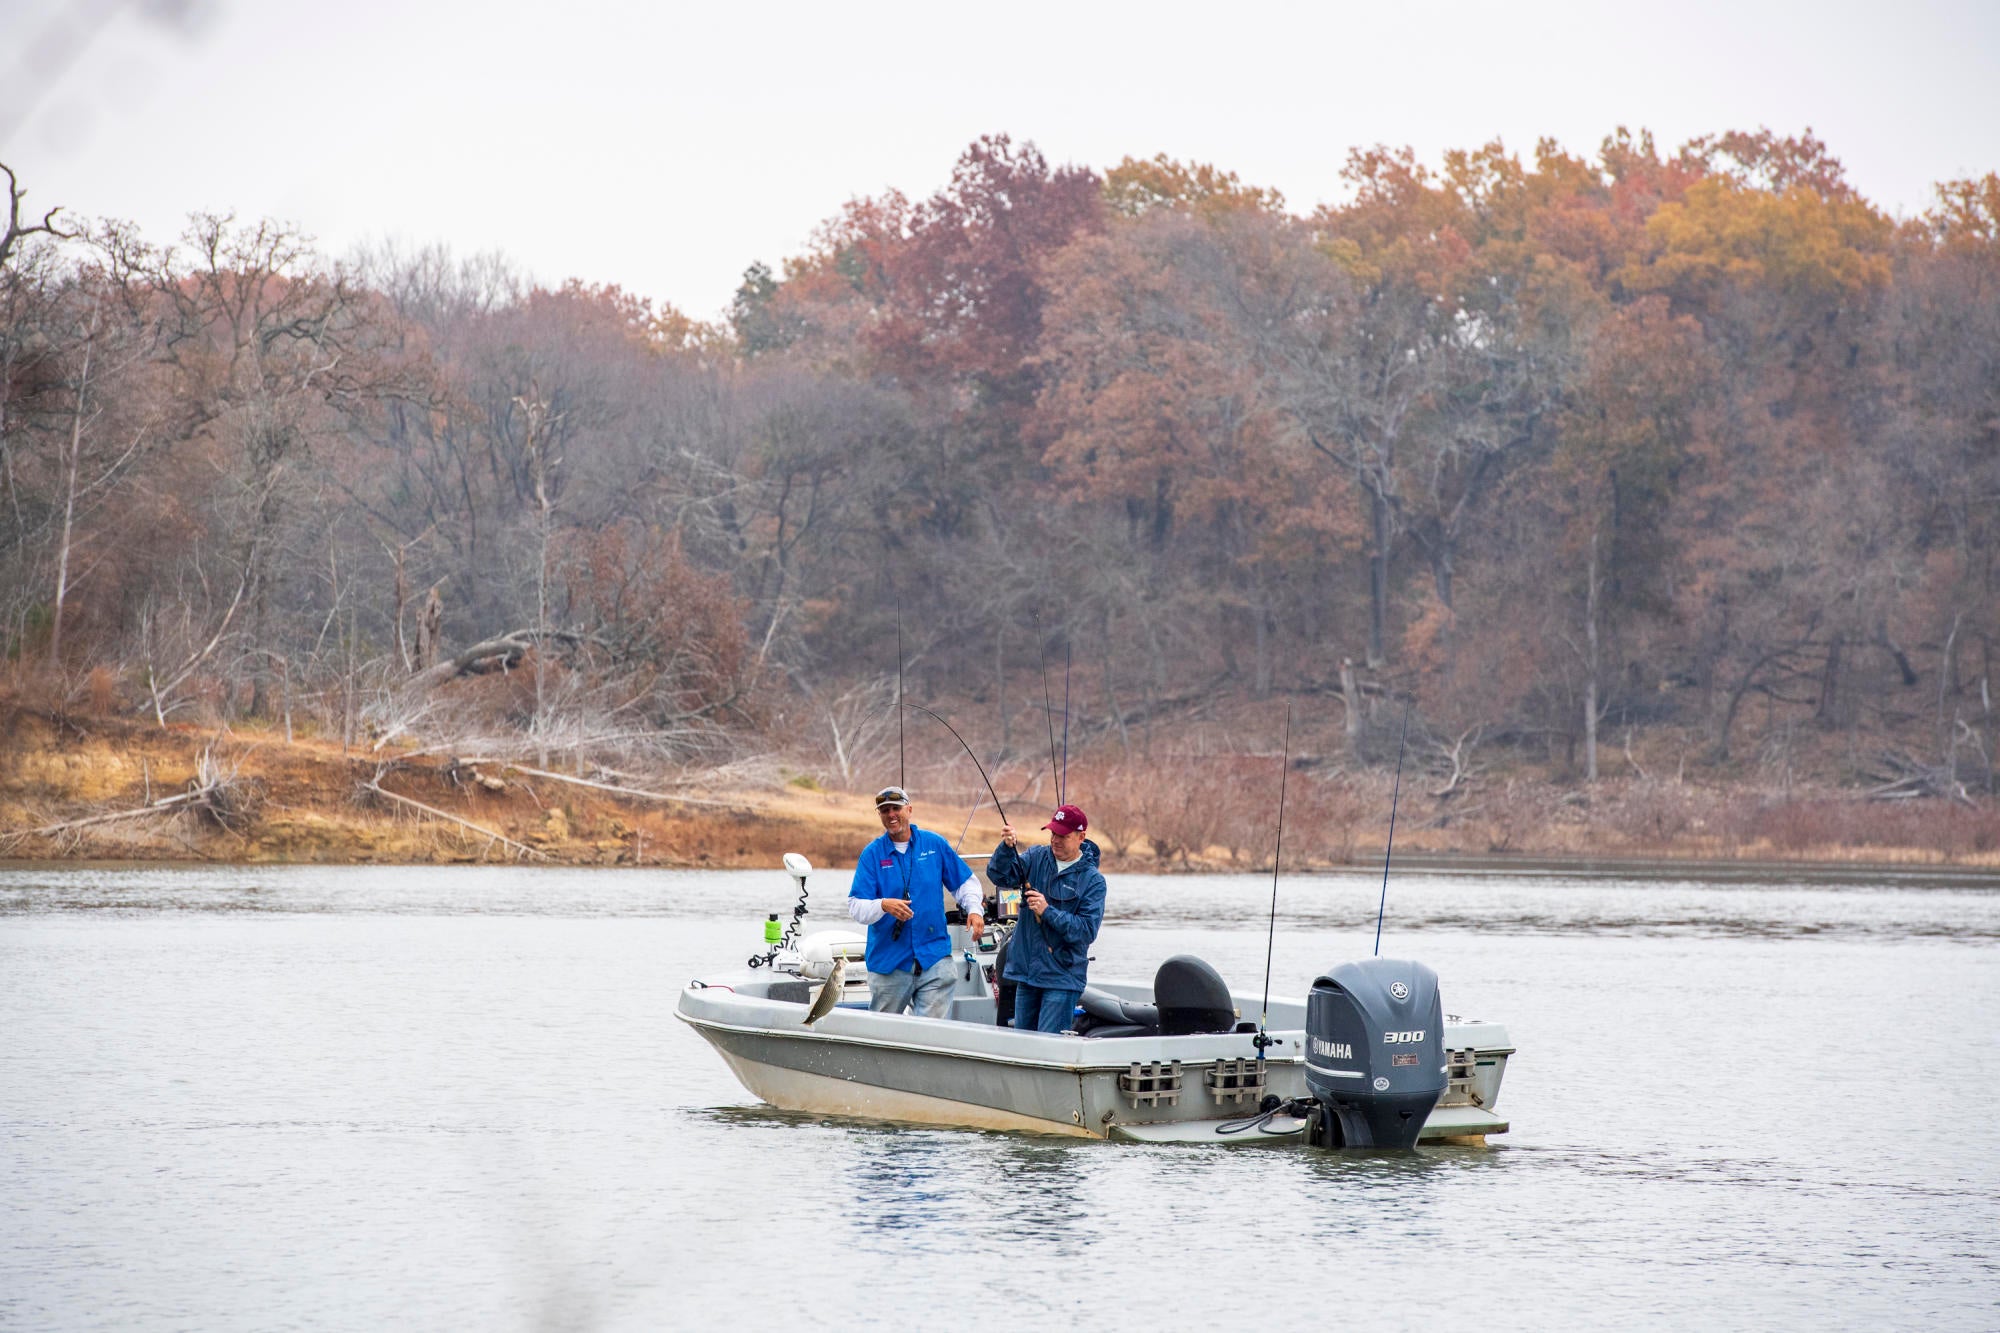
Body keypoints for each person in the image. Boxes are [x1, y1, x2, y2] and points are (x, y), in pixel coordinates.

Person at [847, 786, 985, 1018]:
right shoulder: (871, 854)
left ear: (909, 810)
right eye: (884, 811)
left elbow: (966, 883)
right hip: (889, 963)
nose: (891, 815)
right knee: (883, 1035)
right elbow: (856, 906)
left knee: (930, 1035)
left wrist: (975, 909)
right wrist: (883, 905)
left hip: (935, 959)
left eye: (896, 808)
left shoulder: (935, 844)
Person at [987, 803, 1106, 1033]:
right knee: (1024, 1047)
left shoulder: (1093, 881)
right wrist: (1006, 848)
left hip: (1062, 979)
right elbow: (999, 875)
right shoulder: (1035, 857)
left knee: (1048, 1047)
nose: (1055, 840)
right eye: (1053, 833)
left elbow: (1086, 931)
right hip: (1027, 975)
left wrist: (1047, 911)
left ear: (1081, 836)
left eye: (1063, 835)